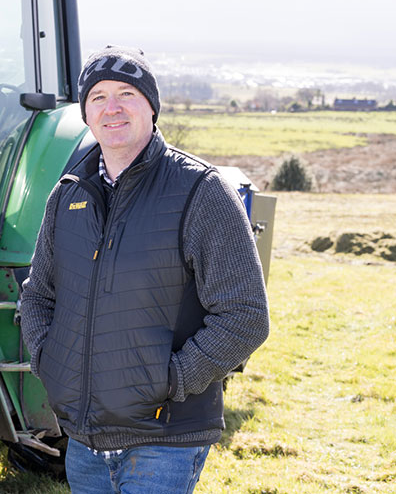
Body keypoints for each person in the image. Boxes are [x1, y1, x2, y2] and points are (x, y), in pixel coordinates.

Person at [20, 46, 270, 493]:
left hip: (164, 440)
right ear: (86, 113)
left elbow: (245, 316)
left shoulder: (201, 190)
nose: (111, 108)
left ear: (151, 107)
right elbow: (38, 294)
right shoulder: (67, 194)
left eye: (126, 94)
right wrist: (49, 361)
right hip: (84, 440)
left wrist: (169, 380)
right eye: (97, 97)